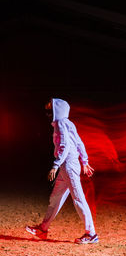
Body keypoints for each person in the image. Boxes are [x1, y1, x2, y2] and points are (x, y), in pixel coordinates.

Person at [26, 98, 98, 244]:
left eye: (50, 108)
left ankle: (91, 234)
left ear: (57, 110)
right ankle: (43, 229)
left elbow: (64, 146)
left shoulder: (60, 124)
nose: (47, 111)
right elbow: (79, 143)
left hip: (68, 166)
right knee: (56, 198)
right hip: (67, 166)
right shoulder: (67, 123)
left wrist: (55, 165)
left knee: (78, 199)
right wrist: (84, 161)